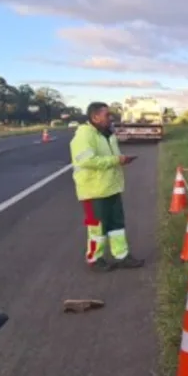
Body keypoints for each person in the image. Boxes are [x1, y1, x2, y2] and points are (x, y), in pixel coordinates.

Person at [70, 102, 145, 273]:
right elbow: (86, 161)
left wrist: (122, 159)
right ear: (95, 117)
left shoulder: (107, 134)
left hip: (111, 187)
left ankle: (122, 256)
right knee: (96, 227)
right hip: (93, 191)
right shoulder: (84, 135)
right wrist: (116, 160)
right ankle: (95, 259)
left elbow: (111, 156)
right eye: (106, 115)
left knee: (117, 224)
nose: (110, 118)